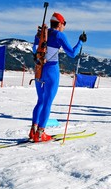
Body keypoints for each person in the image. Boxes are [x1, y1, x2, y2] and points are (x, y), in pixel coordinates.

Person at [30, 12, 87, 142]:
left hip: (39, 69)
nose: (64, 27)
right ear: (60, 24)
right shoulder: (59, 35)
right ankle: (40, 133)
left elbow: (34, 50)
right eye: (64, 24)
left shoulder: (41, 33)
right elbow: (72, 54)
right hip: (51, 71)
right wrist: (80, 42)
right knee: (47, 103)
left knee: (40, 101)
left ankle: (33, 131)